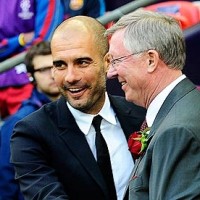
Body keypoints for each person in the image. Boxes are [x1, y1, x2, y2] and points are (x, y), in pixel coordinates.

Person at [10, 16, 146, 200]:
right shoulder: (31, 133)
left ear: (107, 62)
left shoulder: (141, 114)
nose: (70, 77)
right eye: (60, 65)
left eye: (82, 62)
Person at [105, 9, 200, 199]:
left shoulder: (176, 130)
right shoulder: (179, 111)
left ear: (150, 60)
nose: (111, 73)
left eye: (116, 60)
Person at [0, 41, 60, 200]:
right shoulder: (19, 122)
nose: (52, 74)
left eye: (57, 65)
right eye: (44, 69)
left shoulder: (79, 109)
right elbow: (6, 178)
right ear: (30, 75)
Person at [0, 0, 64, 119]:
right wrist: (20, 40)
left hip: (28, 83)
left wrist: (7, 46)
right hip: (3, 81)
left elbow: (45, 42)